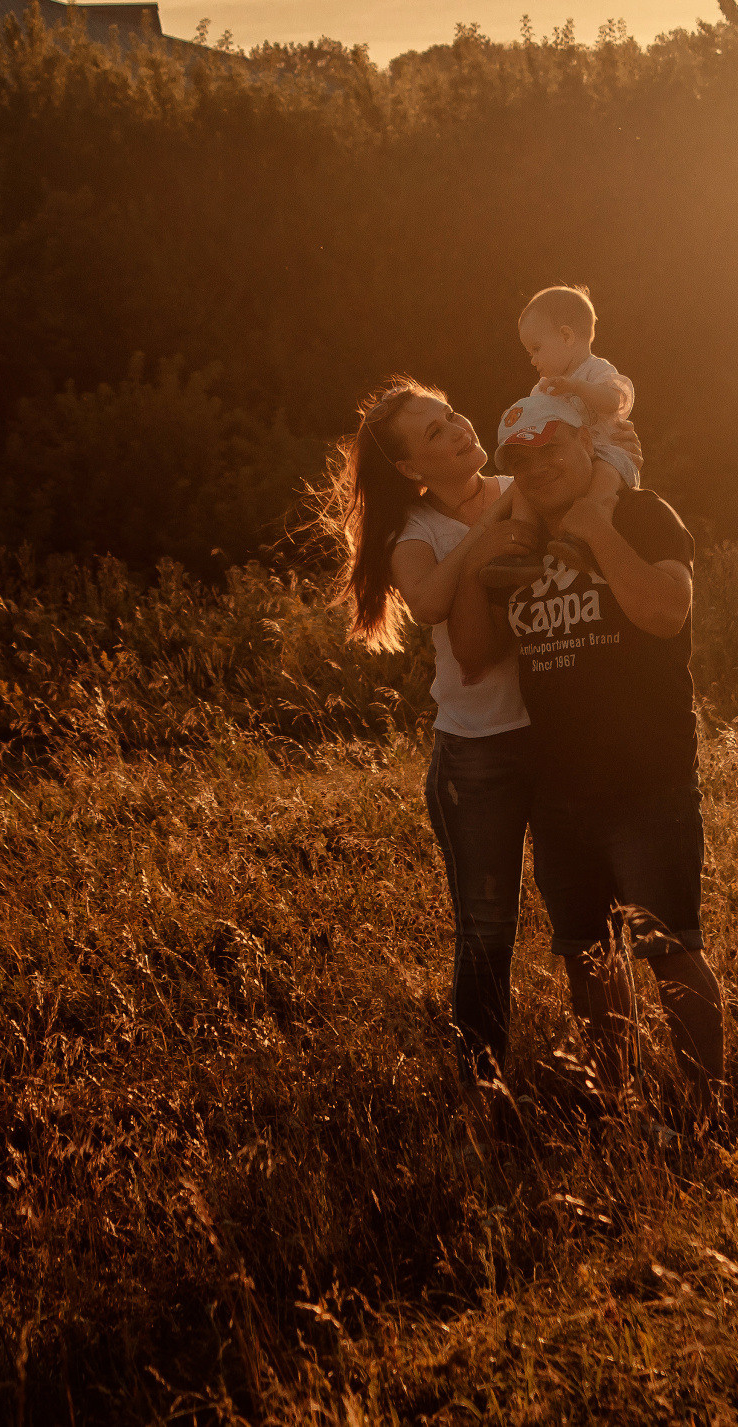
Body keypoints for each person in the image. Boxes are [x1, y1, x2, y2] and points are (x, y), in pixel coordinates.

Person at [448, 393, 725, 1126]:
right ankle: (618, 1105)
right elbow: (474, 655)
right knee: (587, 958)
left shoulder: (640, 513)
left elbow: (667, 610)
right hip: (559, 790)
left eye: (554, 449)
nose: (540, 467)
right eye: (522, 460)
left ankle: (703, 1111)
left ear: (585, 447)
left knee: (669, 949)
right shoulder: (519, 546)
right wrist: (485, 552)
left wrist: (596, 527)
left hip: (647, 780)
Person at [321, 377, 531, 1085]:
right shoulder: (417, 532)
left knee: (585, 907)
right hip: (476, 753)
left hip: (560, 732)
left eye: (450, 416)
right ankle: (482, 1083)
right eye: (434, 433)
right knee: (487, 930)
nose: (458, 429)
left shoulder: (516, 483)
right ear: (411, 469)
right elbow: (433, 596)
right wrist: (495, 518)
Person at [482, 284, 640, 588]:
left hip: (607, 450)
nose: (532, 360)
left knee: (606, 476)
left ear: (567, 337)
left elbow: (615, 401)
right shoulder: (541, 389)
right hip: (566, 457)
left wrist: (575, 388)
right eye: (530, 352)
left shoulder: (597, 371)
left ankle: (583, 536)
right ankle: (520, 547)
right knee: (523, 490)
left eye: (536, 349)